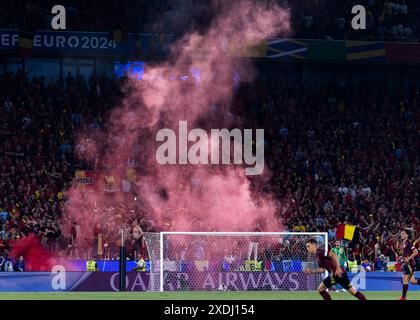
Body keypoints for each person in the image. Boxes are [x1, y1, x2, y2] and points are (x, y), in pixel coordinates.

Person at [399, 230, 420, 300]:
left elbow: (416, 252)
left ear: (407, 235)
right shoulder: (404, 243)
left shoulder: (409, 243)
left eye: (403, 234)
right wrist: (401, 257)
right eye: (401, 233)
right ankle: (403, 297)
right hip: (406, 263)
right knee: (412, 281)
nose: (401, 234)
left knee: (405, 278)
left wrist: (408, 259)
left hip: (409, 264)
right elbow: (406, 253)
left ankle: (403, 297)